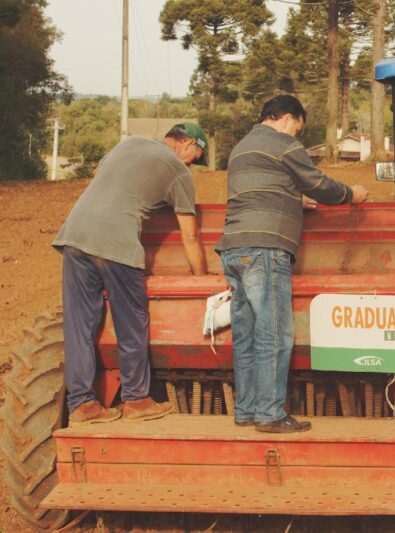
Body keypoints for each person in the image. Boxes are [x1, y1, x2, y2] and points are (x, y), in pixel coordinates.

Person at [216, 95, 369, 433]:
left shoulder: (242, 147)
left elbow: (259, 191)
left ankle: (247, 410)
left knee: (246, 334)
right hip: (265, 249)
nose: (296, 136)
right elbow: (319, 185)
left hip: (234, 248)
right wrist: (352, 194)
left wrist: (293, 201)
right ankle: (270, 414)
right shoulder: (283, 144)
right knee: (273, 333)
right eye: (297, 129)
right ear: (286, 118)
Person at [54, 122, 209, 426]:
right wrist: (201, 279)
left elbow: (101, 179)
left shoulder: (128, 144)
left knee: (79, 327)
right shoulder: (178, 170)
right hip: (116, 243)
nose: (192, 163)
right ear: (188, 144)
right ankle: (137, 399)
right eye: (196, 156)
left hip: (74, 235)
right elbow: (190, 236)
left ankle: (82, 404)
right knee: (131, 323)